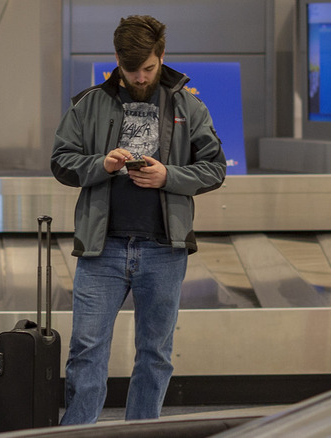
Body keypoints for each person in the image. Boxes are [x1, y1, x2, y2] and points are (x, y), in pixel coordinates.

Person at [50, 15, 226, 424]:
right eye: (132, 71)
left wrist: (169, 176)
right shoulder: (88, 103)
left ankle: (142, 433)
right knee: (86, 350)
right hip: (101, 249)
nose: (141, 77)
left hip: (164, 249)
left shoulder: (188, 105)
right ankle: (77, 434)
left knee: (155, 354)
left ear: (161, 56)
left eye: (148, 68)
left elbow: (215, 168)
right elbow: (61, 163)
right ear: (116, 61)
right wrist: (102, 164)